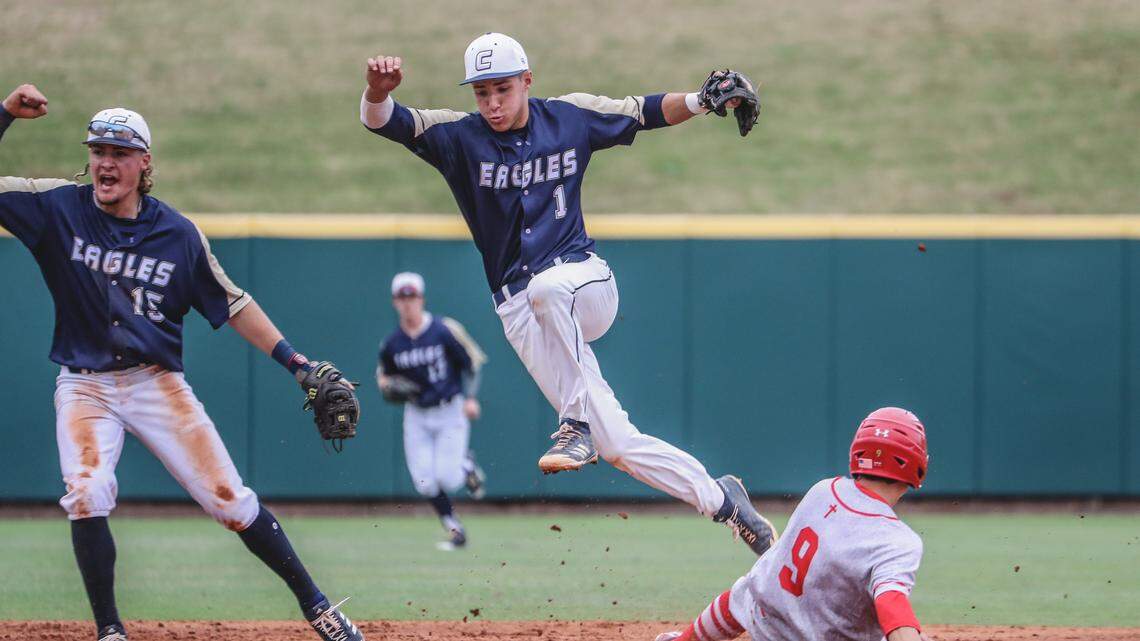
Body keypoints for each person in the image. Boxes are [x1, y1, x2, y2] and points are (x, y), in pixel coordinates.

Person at [358, 33, 775, 554]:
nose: (492, 102)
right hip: (520, 310)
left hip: (583, 282)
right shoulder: (459, 138)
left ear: (526, 81)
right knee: (617, 444)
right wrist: (377, 92)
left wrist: (699, 99)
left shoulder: (568, 117)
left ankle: (574, 423)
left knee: (549, 289)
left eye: (503, 89)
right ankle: (723, 501)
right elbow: (385, 121)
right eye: (482, 92)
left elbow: (642, 112)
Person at [0, 84, 364, 641]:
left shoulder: (176, 234)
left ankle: (320, 610)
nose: (106, 163)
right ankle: (110, 631)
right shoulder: (56, 207)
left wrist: (297, 363)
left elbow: (233, 303)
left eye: (120, 153)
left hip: (155, 382)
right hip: (84, 386)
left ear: (144, 163)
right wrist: (5, 114)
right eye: (98, 151)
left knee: (231, 502)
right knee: (87, 492)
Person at [654, 407, 933, 641]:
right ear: (916, 463)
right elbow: (891, 604)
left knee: (750, 589)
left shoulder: (824, 490)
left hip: (768, 626)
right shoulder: (898, 542)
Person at [376, 271, 488, 550]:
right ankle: (454, 528)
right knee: (425, 483)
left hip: (449, 410)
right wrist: (386, 384)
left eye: (412, 296)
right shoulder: (392, 343)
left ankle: (466, 465)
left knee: (448, 479)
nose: (407, 303)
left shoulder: (443, 329)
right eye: (402, 297)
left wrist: (471, 398)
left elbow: (472, 363)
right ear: (394, 302)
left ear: (421, 299)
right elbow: (383, 377)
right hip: (417, 414)